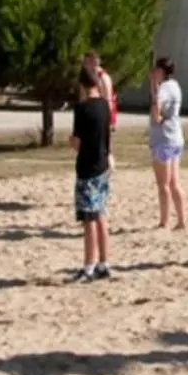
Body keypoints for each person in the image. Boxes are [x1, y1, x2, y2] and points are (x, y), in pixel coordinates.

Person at [69, 62, 114, 281]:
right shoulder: (105, 105)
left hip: (87, 168)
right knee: (101, 214)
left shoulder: (82, 109)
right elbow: (107, 136)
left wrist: (72, 142)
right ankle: (104, 263)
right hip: (102, 165)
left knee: (89, 219)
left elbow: (77, 143)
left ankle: (89, 265)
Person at [149, 56, 186, 230]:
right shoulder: (175, 85)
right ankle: (181, 219)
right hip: (175, 136)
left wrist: (157, 116)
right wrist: (153, 85)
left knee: (163, 183)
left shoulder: (164, 88)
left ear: (161, 71)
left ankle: (164, 221)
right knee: (174, 182)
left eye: (156, 69)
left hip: (163, 138)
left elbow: (157, 105)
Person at [84, 50, 117, 130]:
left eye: (87, 62)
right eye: (85, 62)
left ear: (94, 62)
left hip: (101, 113)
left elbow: (108, 99)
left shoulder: (104, 77)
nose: (85, 65)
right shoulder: (89, 75)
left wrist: (109, 119)